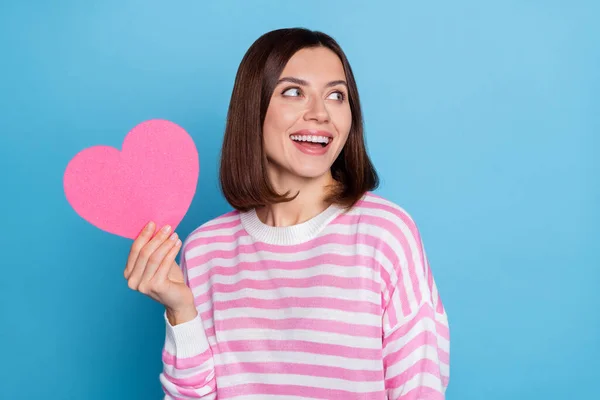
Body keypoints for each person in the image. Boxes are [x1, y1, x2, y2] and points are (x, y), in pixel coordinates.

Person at [123, 27, 450, 399]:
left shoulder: (385, 234)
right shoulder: (205, 250)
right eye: (294, 92)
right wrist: (181, 311)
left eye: (336, 95)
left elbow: (420, 388)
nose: (320, 114)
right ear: (253, 108)